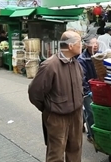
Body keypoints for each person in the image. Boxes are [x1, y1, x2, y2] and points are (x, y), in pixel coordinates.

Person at [28, 30, 84, 162]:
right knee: (56, 154)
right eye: (80, 42)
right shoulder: (50, 65)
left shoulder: (75, 63)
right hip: (57, 118)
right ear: (70, 46)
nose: (82, 45)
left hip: (76, 115)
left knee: (75, 150)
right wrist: (49, 108)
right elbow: (34, 92)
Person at [77, 35, 99, 144]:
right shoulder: (82, 59)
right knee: (91, 113)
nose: (95, 46)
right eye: (92, 44)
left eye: (96, 43)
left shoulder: (99, 55)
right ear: (86, 45)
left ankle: (81, 122)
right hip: (88, 91)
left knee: (93, 111)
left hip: (98, 89)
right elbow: (82, 77)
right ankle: (91, 135)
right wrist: (87, 91)